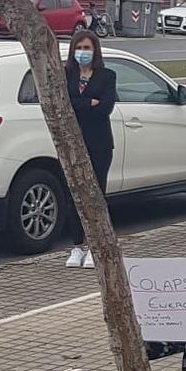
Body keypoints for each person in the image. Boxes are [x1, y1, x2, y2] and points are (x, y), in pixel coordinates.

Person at [59, 30, 119, 269]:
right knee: (74, 195)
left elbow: (105, 108)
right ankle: (77, 246)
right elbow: (63, 104)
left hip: (100, 143)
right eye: (79, 48)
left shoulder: (107, 76)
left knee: (96, 194)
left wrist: (86, 105)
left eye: (87, 48)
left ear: (95, 50)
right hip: (73, 143)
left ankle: (96, 247)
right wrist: (88, 102)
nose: (83, 52)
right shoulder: (66, 75)